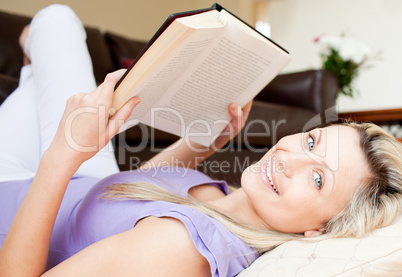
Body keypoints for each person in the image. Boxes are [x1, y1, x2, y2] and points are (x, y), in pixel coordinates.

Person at [0, 4, 401, 277]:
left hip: (23, 193)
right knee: (56, 20)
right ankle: (34, 75)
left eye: (317, 180)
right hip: (76, 181)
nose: (290, 159)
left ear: (319, 229)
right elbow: (131, 197)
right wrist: (202, 144)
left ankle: (34, 75)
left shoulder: (182, 250)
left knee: (52, 24)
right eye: (312, 142)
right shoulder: (229, 204)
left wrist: (61, 157)